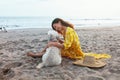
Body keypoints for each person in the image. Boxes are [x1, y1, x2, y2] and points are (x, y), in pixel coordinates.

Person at [27, 18, 111, 60]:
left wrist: (55, 44)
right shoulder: (65, 30)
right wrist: (59, 41)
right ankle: (40, 54)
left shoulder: (69, 31)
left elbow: (67, 46)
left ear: (59, 22)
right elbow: (67, 43)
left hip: (74, 52)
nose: (56, 29)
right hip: (71, 49)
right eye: (54, 28)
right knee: (52, 45)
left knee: (52, 46)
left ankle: (38, 55)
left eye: (56, 26)